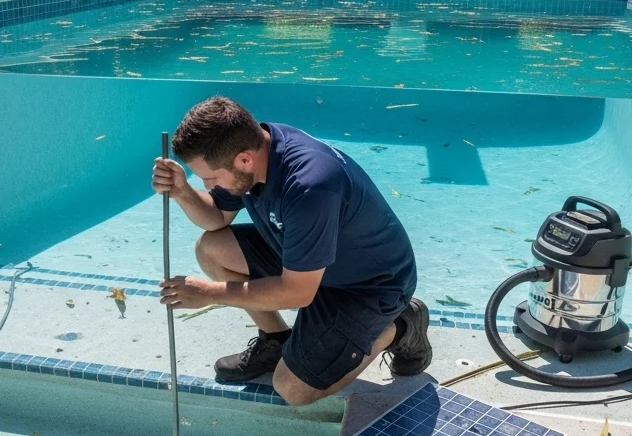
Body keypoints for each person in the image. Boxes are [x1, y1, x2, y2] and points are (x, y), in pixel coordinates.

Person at [152, 96, 432, 406]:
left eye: (210, 178)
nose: (208, 186)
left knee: (293, 389)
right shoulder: (256, 149)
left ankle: (401, 326)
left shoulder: (310, 185)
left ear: (244, 160)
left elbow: (298, 294)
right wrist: (182, 192)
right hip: (308, 264)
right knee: (211, 247)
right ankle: (275, 341)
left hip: (368, 286)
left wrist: (210, 294)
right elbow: (216, 216)